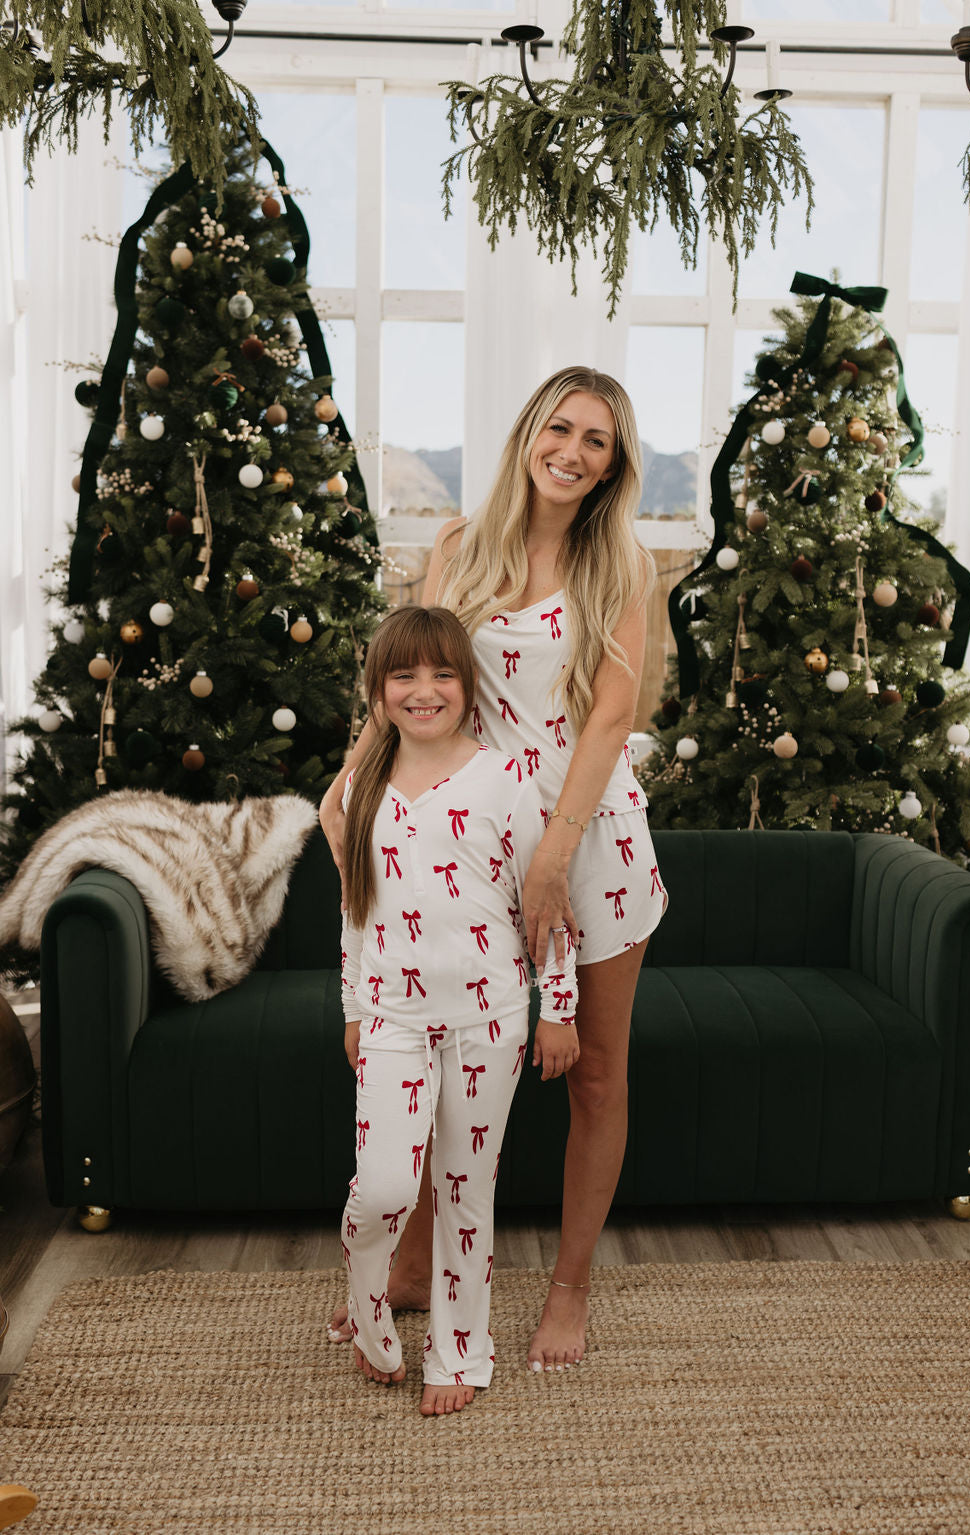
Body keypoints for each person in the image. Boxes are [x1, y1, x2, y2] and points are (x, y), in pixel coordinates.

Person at [322, 365, 666, 1373]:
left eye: (595, 440)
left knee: (594, 1072)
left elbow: (608, 720)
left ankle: (568, 1284)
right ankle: (418, 1255)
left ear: (612, 465)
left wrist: (553, 857)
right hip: (466, 841)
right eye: (558, 428)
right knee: (439, 1043)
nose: (571, 450)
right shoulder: (458, 549)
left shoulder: (621, 567)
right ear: (527, 436)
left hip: (587, 842)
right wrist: (350, 777)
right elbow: (412, 672)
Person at [337, 604, 579, 1416]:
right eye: (403, 674)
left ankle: (460, 1349)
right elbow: (355, 909)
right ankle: (370, 1307)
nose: (424, 689)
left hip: (491, 1017)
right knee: (381, 1190)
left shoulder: (506, 779)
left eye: (442, 673)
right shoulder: (361, 787)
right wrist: (353, 1006)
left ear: (468, 687)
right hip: (393, 1020)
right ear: (379, 692)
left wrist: (560, 1008)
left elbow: (547, 902)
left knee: (466, 1191)